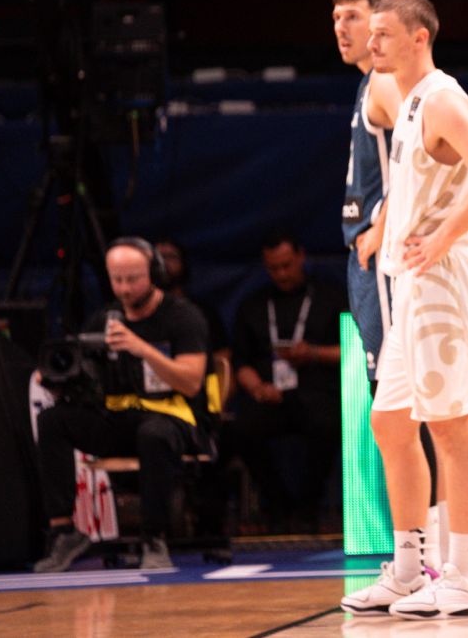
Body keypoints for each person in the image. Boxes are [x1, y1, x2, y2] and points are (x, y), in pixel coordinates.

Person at [346, 0, 468, 620]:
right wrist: (385, 226)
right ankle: (407, 569)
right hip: (411, 282)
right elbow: (410, 179)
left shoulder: (443, 98)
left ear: (420, 37)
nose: (371, 44)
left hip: (444, 277)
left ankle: (466, 576)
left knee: (452, 427)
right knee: (390, 423)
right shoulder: (408, 97)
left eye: (383, 34)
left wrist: (445, 235)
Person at [330, 0, 447, 567]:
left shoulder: (387, 84)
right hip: (369, 262)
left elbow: (423, 149)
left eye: (354, 17)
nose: (344, 29)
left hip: (389, 261)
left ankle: (433, 551)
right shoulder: (368, 85)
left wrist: (383, 219)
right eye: (337, 18)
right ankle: (422, 553)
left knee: (407, 411)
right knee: (396, 411)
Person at [33, 238, 208, 573]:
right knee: (53, 421)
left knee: (153, 433)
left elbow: (191, 382)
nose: (125, 288)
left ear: (154, 273)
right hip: (118, 419)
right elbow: (84, 378)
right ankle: (63, 532)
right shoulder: (105, 319)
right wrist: (57, 379)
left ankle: (154, 538)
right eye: (117, 280)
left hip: (171, 418)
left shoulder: (182, 316)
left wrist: (143, 349)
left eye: (133, 279)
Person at [227, 232, 345, 532]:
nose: (281, 274)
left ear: (301, 256)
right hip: (270, 395)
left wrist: (314, 353)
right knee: (241, 429)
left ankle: (308, 508)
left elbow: (355, 350)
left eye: (287, 265)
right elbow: (240, 361)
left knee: (329, 424)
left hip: (318, 393)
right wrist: (257, 388)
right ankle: (277, 506)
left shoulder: (331, 297)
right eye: (273, 268)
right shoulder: (253, 305)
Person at [155, 238, 234, 406]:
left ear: (183, 263)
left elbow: (222, 359)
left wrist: (215, 402)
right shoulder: (137, 314)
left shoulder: (201, 312)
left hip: (196, 396)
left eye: (170, 257)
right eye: (158, 258)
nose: (163, 263)